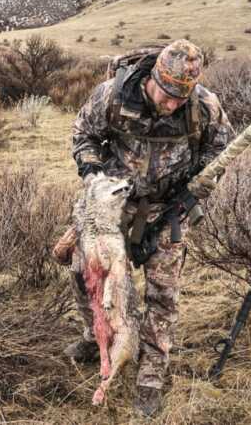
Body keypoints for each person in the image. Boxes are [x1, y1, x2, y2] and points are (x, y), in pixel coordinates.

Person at [62, 39, 232, 417]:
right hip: (112, 204)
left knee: (162, 295)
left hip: (168, 209)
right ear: (153, 77)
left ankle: (150, 376)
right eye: (166, 94)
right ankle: (96, 337)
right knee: (83, 274)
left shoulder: (203, 106)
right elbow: (83, 134)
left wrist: (197, 185)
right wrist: (92, 176)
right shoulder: (113, 95)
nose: (171, 104)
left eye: (179, 98)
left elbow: (220, 149)